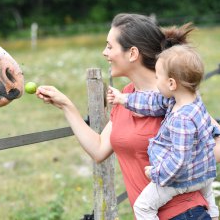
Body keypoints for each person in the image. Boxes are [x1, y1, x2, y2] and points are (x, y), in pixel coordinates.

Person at [35, 13, 220, 219]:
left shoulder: (172, 96)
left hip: (185, 213)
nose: (104, 52)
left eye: (110, 46)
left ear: (132, 53)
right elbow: (98, 149)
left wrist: (181, 161)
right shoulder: (127, 96)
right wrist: (66, 105)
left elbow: (217, 143)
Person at [107, 44, 218, 219]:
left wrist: (157, 174)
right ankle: (213, 211)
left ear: (172, 83)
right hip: (204, 174)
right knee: (204, 183)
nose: (156, 82)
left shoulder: (182, 119)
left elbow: (179, 161)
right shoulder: (190, 102)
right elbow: (152, 102)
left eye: (158, 77)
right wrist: (123, 98)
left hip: (181, 178)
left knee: (143, 207)